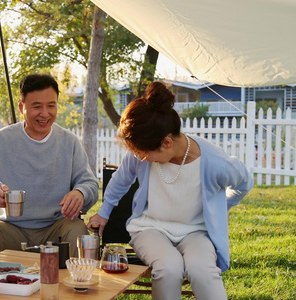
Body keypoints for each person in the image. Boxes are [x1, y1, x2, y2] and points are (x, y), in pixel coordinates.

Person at [86, 81, 253, 300]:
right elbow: (121, 180)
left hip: (196, 232)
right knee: (169, 267)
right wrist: (104, 212)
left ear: (166, 143)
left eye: (145, 154)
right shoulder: (141, 154)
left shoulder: (215, 161)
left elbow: (244, 184)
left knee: (203, 270)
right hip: (150, 229)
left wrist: (224, 207)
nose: (141, 158)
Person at [0, 73, 99, 263]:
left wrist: (80, 193)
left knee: (78, 229)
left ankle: (66, 290)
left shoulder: (69, 142)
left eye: (51, 106)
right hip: (10, 228)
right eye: (37, 106)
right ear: (22, 107)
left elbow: (90, 184)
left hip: (56, 227)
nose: (45, 113)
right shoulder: (2, 139)